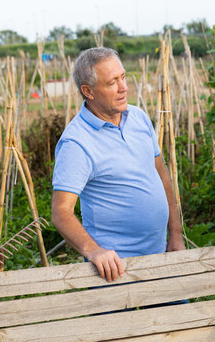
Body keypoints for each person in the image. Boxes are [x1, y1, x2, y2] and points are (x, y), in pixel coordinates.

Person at [51, 47, 185, 283]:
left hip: (161, 255)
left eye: (123, 77)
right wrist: (94, 251)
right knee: (118, 321)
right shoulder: (76, 143)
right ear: (88, 91)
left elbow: (161, 176)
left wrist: (175, 234)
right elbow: (61, 212)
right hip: (113, 269)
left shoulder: (138, 117)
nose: (124, 87)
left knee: (176, 317)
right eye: (112, 82)